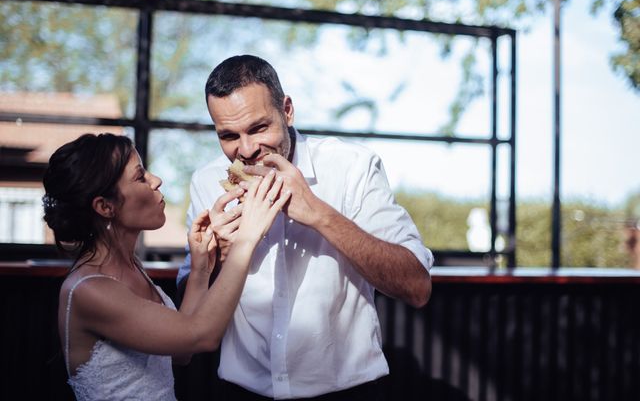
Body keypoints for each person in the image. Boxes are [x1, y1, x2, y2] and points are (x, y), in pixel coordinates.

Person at [177, 55, 434, 400]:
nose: (247, 150)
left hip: (347, 392)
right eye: (228, 136)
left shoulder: (351, 168)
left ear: (287, 110)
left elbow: (416, 287)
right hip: (240, 391)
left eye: (258, 128)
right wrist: (218, 257)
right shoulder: (207, 182)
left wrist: (317, 213)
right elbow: (190, 311)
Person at [43, 133, 289, 401]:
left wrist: (201, 267)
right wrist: (247, 239)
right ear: (105, 206)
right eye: (140, 177)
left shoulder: (129, 267)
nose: (156, 180)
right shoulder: (90, 290)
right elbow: (202, 336)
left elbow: (181, 353)